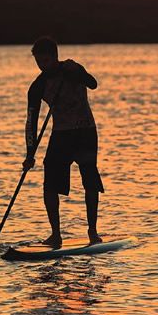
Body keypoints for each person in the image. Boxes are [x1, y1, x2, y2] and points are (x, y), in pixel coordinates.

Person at [22, 37, 104, 248]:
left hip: (85, 132)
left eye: (46, 61)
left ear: (55, 57)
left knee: (90, 180)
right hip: (61, 136)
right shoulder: (38, 86)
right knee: (49, 183)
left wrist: (77, 71)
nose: (42, 66)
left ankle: (93, 232)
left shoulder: (72, 69)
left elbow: (93, 84)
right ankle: (56, 235)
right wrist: (29, 153)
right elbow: (31, 122)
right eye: (39, 62)